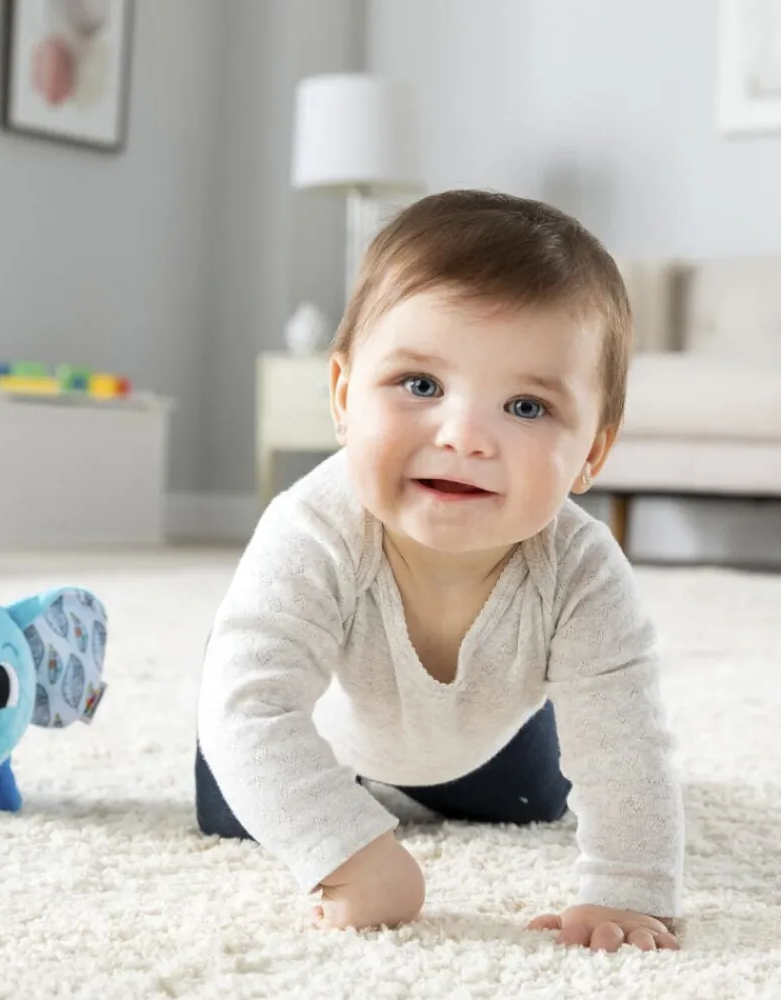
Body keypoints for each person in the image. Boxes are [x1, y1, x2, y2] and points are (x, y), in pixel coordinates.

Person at [195, 189, 685, 952]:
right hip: (315, 729)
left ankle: (454, 773)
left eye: (526, 407)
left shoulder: (583, 569)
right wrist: (350, 856)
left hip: (484, 736)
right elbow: (250, 712)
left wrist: (628, 889)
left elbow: (626, 741)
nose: (463, 437)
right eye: (420, 386)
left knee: (537, 800)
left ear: (591, 452)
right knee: (240, 797)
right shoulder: (313, 528)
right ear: (344, 397)